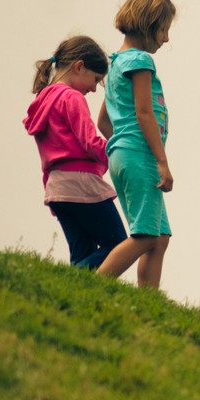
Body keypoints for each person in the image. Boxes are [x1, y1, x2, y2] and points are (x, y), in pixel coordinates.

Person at [24, 36, 128, 270]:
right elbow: (90, 142)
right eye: (95, 79)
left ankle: (73, 294)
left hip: (57, 189)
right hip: (81, 184)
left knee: (83, 254)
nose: (93, 88)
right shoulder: (71, 97)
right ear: (79, 66)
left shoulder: (43, 100)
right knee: (120, 246)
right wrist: (121, 154)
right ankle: (63, 281)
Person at [96, 0, 176, 288]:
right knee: (145, 236)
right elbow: (144, 113)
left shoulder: (117, 62)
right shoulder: (139, 60)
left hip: (122, 154)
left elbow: (104, 121)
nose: (166, 39)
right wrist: (161, 161)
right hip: (140, 155)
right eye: (164, 29)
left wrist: (121, 147)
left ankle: (148, 303)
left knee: (159, 237)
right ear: (149, 24)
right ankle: (95, 284)